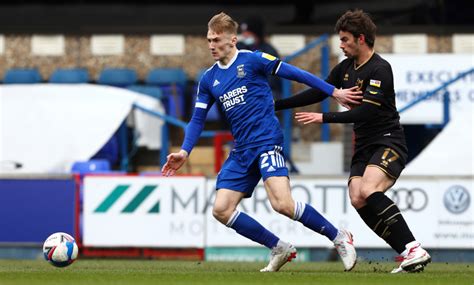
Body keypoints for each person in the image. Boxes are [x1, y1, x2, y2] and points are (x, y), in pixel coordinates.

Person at [162, 12, 362, 272]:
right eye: (209, 40)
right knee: (221, 210)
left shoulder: (253, 60)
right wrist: (185, 151)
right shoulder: (209, 79)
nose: (212, 45)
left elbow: (298, 74)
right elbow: (197, 120)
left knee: (282, 204)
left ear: (232, 40)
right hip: (242, 150)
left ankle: (338, 237)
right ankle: (279, 247)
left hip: (267, 141)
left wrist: (333, 91)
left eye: (217, 39)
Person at [275, 9, 431, 273]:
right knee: (358, 198)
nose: (341, 45)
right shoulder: (346, 68)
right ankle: (407, 253)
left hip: (388, 141)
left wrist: (323, 117)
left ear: (361, 39)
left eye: (345, 39)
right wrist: (277, 105)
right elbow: (319, 91)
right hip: (364, 145)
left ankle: (415, 247)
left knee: (370, 189)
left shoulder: (380, 69)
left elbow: (366, 111)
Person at [237, 15, 282, 99]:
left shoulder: (269, 51)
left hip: (265, 91)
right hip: (240, 91)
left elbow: (272, 80)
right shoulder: (239, 47)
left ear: (256, 33)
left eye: (248, 32)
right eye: (243, 32)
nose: (244, 35)